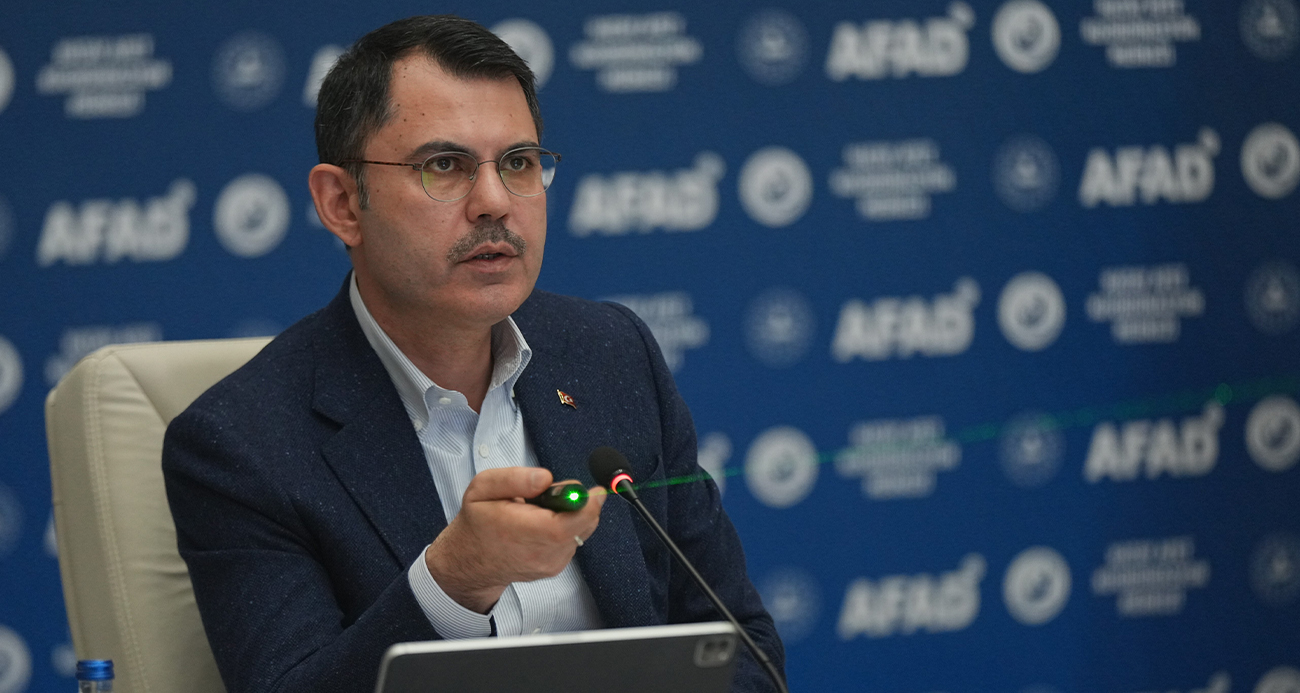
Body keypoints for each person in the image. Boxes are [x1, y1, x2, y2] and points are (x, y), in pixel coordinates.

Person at [162, 14, 784, 693]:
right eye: (444, 166)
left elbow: (741, 650)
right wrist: (454, 580)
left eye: (518, 163)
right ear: (341, 204)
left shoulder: (613, 355)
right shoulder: (241, 444)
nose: (494, 202)